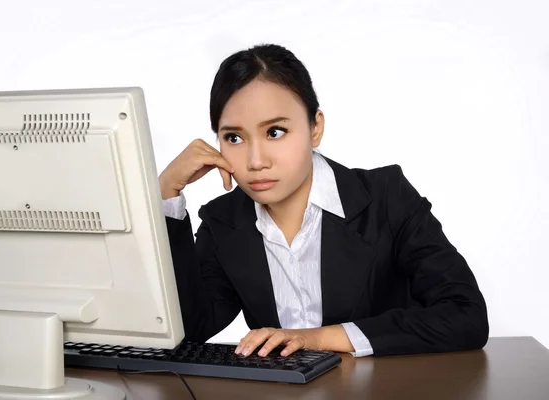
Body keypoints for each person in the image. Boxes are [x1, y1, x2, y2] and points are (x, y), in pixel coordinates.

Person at [159, 43, 489, 358]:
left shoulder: (386, 198)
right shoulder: (223, 222)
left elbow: (465, 316)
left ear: (315, 127)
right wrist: (164, 198)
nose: (256, 160)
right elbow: (191, 329)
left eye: (275, 132)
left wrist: (317, 338)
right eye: (234, 137)